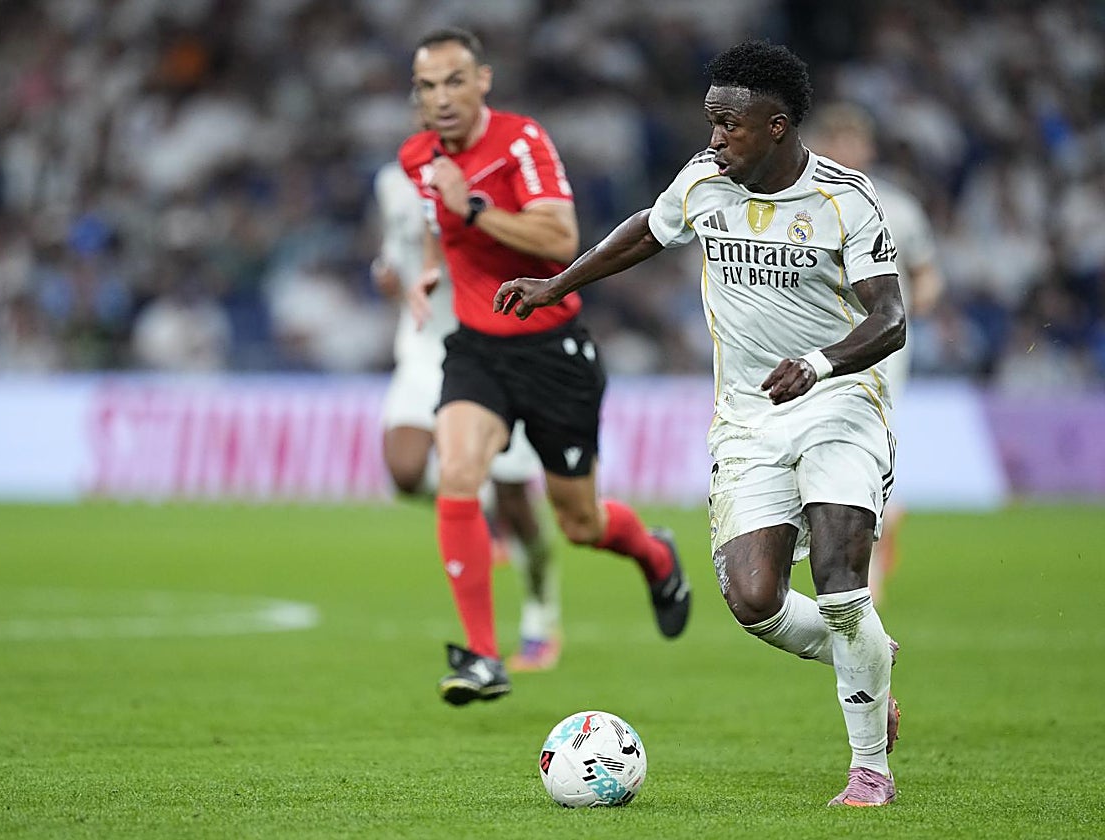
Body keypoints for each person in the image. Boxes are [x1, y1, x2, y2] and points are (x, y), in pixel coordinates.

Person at [495, 40, 904, 807]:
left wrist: (819, 364)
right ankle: (868, 664)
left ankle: (870, 769)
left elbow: (891, 317)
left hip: (840, 405)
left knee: (840, 581)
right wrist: (557, 285)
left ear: (776, 127)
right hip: (748, 419)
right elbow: (646, 230)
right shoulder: (704, 181)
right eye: (712, 121)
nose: (715, 138)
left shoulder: (845, 199)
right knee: (755, 601)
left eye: (729, 125)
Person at [398, 26, 691, 707]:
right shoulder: (417, 156)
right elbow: (436, 224)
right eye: (428, 86)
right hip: (476, 348)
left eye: (455, 81)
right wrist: (429, 269)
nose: (442, 98)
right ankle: (483, 656)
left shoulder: (521, 142)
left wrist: (473, 206)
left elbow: (561, 239)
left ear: (483, 81)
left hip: (551, 350)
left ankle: (654, 553)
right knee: (459, 470)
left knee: (580, 523)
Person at [371, 158, 562, 672]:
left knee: (518, 502)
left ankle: (541, 611)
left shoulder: (497, 172)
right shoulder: (392, 181)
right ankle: (480, 504)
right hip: (423, 348)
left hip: (492, 348)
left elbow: (536, 248)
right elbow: (394, 251)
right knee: (405, 470)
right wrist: (385, 273)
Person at [808, 102, 946, 602]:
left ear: (867, 148)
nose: (845, 150)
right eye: (836, 140)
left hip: (880, 345)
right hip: (817, 342)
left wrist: (914, 305)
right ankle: (878, 519)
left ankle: (871, 542)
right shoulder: (805, 205)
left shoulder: (897, 207)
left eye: (853, 141)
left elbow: (927, 275)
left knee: (864, 436)